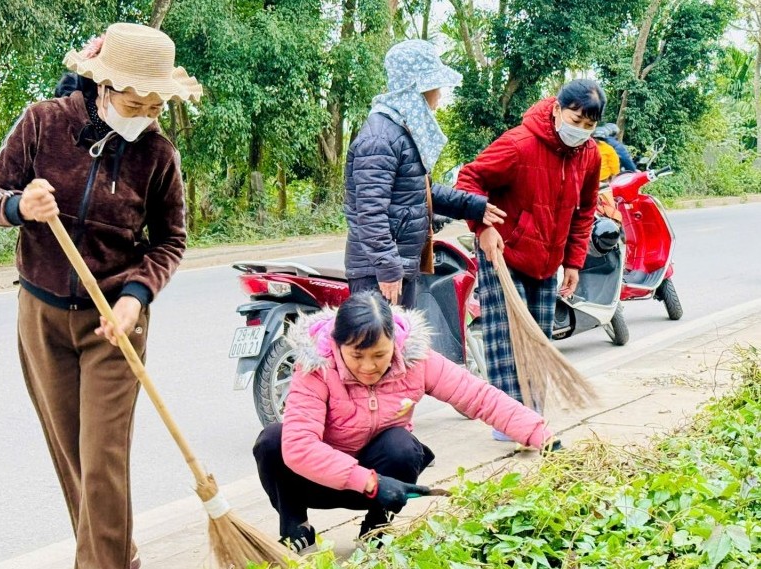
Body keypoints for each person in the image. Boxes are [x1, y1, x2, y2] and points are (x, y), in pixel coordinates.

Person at [0, 22, 202, 569]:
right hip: (42, 316)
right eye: (134, 101)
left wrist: (137, 296)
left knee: (103, 459)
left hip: (115, 322)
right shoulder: (43, 123)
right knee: (72, 458)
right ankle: (118, 558)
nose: (144, 114)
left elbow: (171, 240)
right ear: (102, 84)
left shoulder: (158, 155)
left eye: (154, 105)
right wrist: (19, 206)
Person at [252, 292, 555, 552]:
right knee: (273, 441)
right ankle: (295, 526)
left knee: (403, 446)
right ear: (336, 345)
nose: (368, 367)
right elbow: (300, 447)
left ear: (394, 344)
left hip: (386, 483)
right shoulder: (316, 369)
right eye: (356, 356)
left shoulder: (415, 361)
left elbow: (479, 397)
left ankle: (376, 527)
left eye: (379, 355)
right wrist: (369, 481)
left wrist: (541, 435)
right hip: (323, 480)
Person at [455, 79, 605, 440]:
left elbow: (584, 211)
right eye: (575, 119)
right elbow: (469, 179)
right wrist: (483, 226)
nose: (581, 130)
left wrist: (573, 262)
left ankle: (531, 417)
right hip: (503, 252)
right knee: (508, 337)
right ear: (557, 109)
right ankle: (508, 423)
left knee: (538, 338)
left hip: (546, 258)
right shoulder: (519, 143)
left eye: (589, 125)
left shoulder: (590, 155)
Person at [344, 40, 505, 308]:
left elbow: (423, 191)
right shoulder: (381, 138)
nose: (439, 94)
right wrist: (387, 267)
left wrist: (472, 206)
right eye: (435, 86)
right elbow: (370, 211)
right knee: (379, 348)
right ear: (417, 87)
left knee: (401, 347)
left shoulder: (399, 131)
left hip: (397, 264)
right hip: (377, 271)